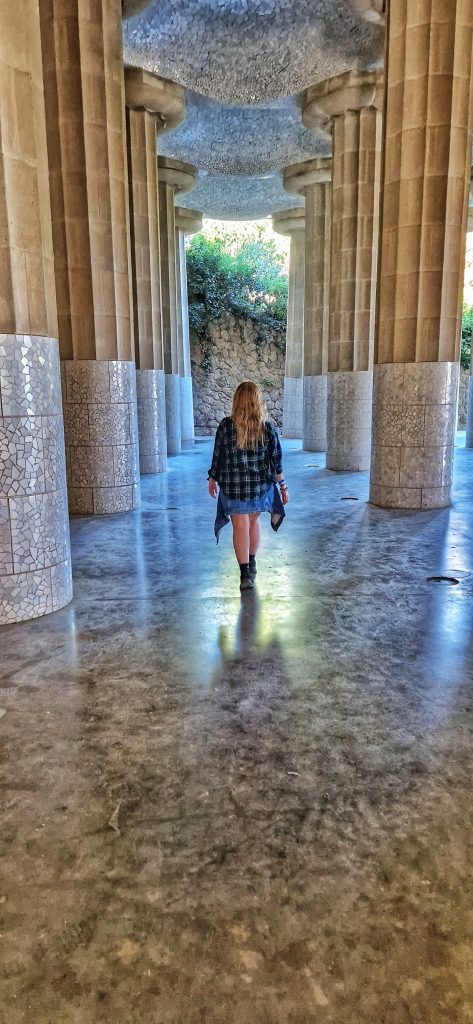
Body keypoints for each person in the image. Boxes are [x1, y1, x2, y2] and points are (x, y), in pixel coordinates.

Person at [208, 381, 289, 591]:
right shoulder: (267, 428)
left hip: (234, 486)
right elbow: (276, 460)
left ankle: (244, 573)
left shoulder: (226, 426)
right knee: (253, 524)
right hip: (259, 486)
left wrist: (212, 478)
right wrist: (282, 486)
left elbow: (218, 456)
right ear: (257, 401)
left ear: (237, 401)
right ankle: (251, 561)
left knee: (240, 526)